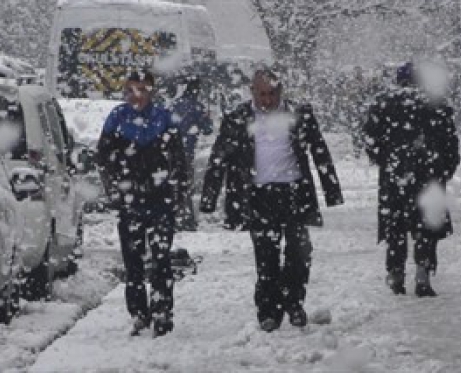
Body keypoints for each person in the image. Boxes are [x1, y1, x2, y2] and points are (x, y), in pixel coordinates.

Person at [199, 67, 344, 332]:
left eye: (271, 94)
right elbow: (219, 157)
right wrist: (209, 198)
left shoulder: (299, 115)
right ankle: (269, 312)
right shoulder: (238, 118)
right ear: (252, 92)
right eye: (261, 94)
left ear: (281, 92)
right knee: (266, 256)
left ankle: (294, 301)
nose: (266, 101)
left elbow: (319, 151)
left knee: (299, 254)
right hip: (257, 196)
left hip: (294, 193)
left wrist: (331, 190)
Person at [96, 70, 188, 337]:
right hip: (130, 200)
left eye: (142, 90)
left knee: (161, 258)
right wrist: (114, 189)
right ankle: (138, 312)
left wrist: (177, 193)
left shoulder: (164, 118)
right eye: (131, 90)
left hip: (160, 200)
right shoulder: (117, 118)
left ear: (151, 91)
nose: (137, 96)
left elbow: (179, 160)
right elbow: (103, 157)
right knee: (133, 260)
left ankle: (162, 311)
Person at [362, 62, 460, 297]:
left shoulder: (382, 103)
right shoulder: (437, 103)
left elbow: (370, 139)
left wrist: (385, 160)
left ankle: (396, 273)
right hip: (429, 174)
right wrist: (444, 168)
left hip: (394, 176)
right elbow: (450, 144)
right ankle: (423, 272)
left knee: (395, 226)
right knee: (426, 225)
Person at [170, 75, 213, 231]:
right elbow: (208, 130)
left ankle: (173, 217)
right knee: (185, 185)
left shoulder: (175, 105)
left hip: (171, 150)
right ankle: (186, 219)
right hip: (186, 151)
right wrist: (208, 120)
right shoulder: (197, 107)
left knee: (173, 184)